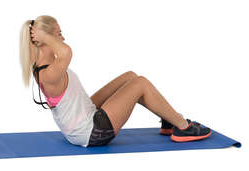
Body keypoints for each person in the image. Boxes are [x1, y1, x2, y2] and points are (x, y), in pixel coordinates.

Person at [19, 15, 212, 148]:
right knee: (141, 83)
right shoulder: (49, 73)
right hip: (91, 133)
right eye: (59, 33)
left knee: (130, 76)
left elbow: (63, 52)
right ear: (43, 40)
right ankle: (183, 127)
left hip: (82, 122)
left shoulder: (46, 66)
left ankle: (167, 120)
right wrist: (45, 37)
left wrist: (47, 38)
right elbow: (67, 51)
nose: (63, 37)